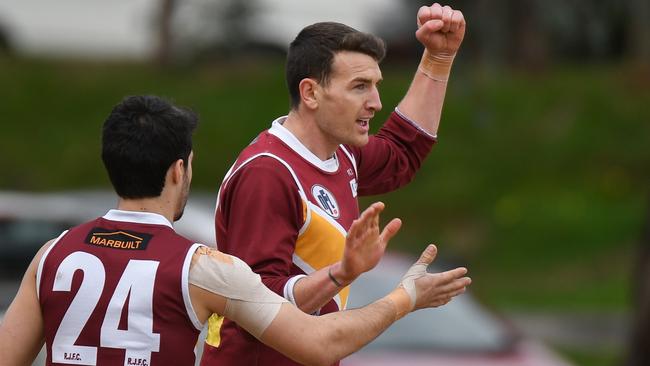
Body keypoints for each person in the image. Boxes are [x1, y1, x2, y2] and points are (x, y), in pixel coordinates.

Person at [0, 95, 470, 366]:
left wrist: (339, 275)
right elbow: (320, 345)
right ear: (179, 171)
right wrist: (404, 298)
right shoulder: (201, 268)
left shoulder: (52, 255)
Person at [203, 3, 466, 365]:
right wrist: (343, 274)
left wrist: (438, 57)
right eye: (359, 87)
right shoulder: (268, 173)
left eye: (375, 85)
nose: (375, 102)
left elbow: (402, 151)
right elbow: (257, 305)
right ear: (310, 93)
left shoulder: (341, 153)